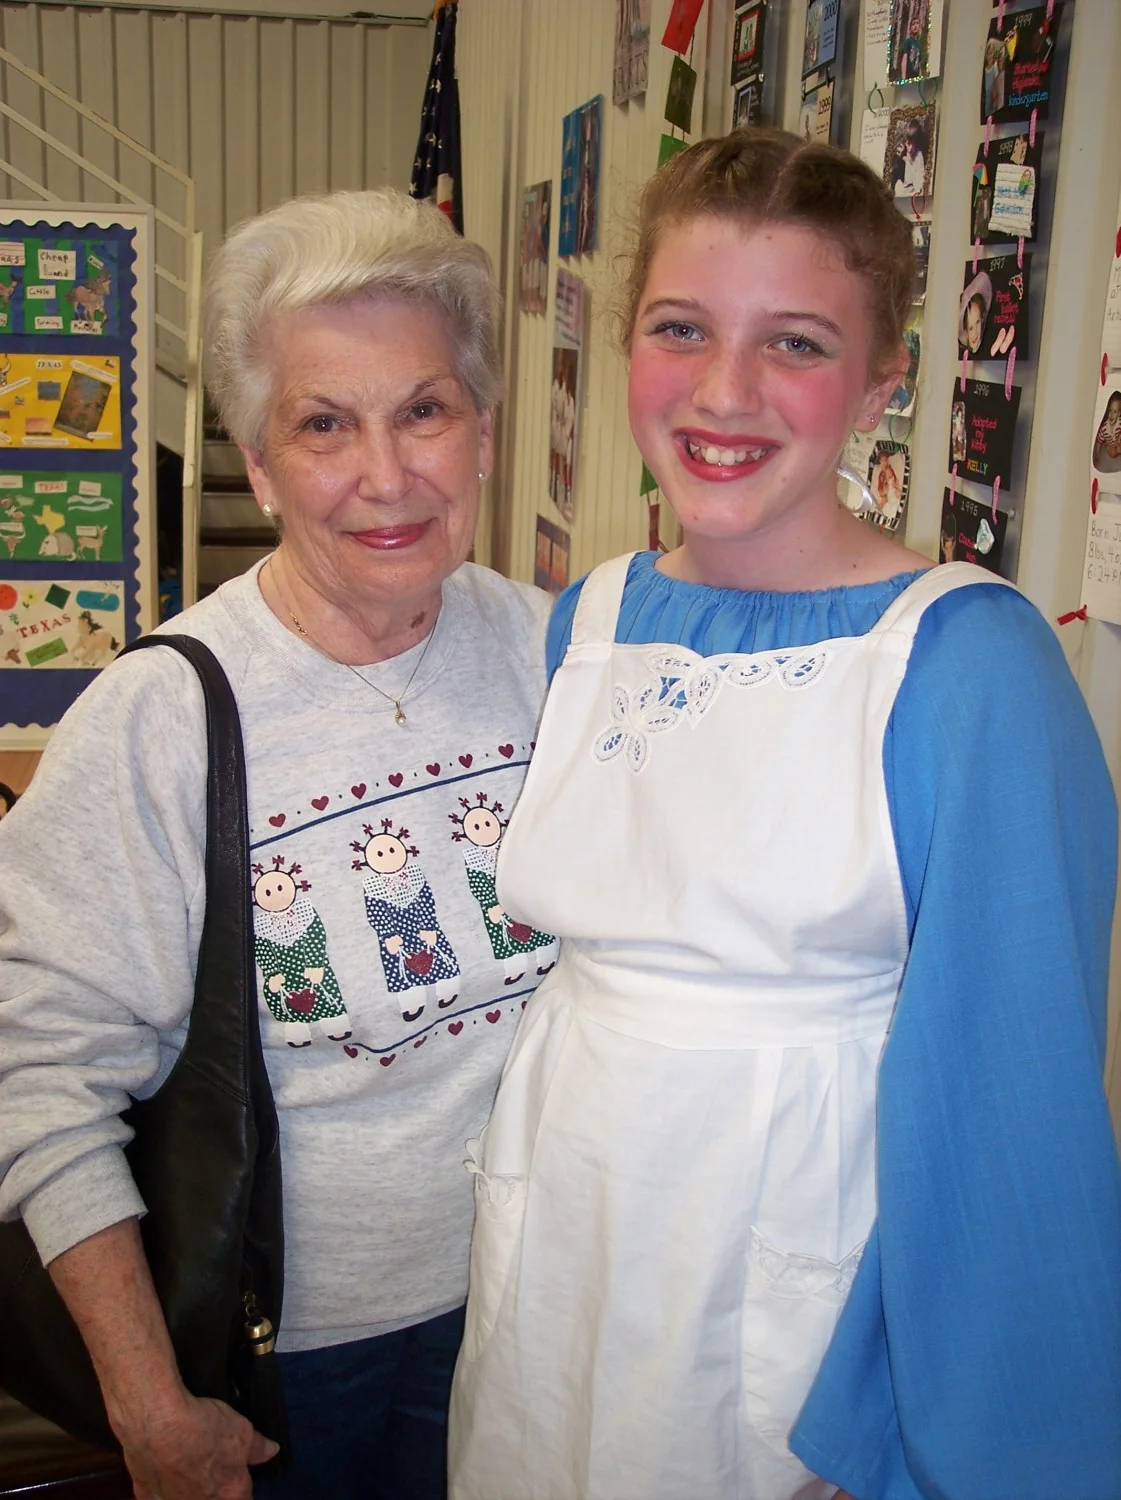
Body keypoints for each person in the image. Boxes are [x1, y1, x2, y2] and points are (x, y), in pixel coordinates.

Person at [449, 127, 1121, 1500]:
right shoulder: (594, 618)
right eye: (681, 327)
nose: (724, 391)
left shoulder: (965, 663)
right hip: (565, 1229)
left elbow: (1012, 1100)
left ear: (885, 376)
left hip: (796, 1262)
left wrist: (941, 1443)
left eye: (797, 344)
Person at [0, 188, 554, 1500]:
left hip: (540, 1302)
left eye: (424, 409)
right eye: (323, 424)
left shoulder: (556, 651)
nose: (386, 475)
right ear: (259, 464)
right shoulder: (162, 718)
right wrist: (148, 1406)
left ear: (482, 431)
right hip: (292, 1358)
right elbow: (37, 1077)